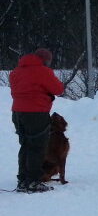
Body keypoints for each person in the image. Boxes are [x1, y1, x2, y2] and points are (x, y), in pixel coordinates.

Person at [10, 48, 64, 193]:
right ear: (46, 60)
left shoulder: (16, 71)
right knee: (37, 147)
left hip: (17, 113)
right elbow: (58, 89)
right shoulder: (43, 71)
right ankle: (33, 181)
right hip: (36, 113)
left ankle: (22, 180)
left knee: (26, 145)